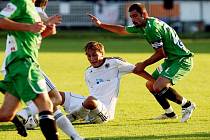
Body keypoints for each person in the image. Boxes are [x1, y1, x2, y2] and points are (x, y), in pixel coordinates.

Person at [88, 3, 196, 122]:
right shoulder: (144, 25)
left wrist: (143, 64)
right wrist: (101, 24)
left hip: (182, 59)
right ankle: (169, 113)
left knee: (159, 86)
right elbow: (122, 30)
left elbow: (161, 53)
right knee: (150, 84)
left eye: (135, 16)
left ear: (144, 14)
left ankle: (187, 105)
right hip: (171, 60)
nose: (133, 20)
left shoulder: (151, 29)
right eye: (131, 17)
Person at [13, 0, 83, 139]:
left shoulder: (24, 12)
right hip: (27, 63)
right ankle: (24, 114)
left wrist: (46, 28)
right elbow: (46, 25)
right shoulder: (35, 10)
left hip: (17, 62)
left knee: (53, 109)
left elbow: (37, 35)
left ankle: (77, 138)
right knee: (55, 98)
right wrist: (49, 22)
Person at [0, 0, 59, 139]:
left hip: (21, 63)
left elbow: (31, 37)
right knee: (46, 104)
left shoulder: (32, 8)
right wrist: (29, 27)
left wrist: (46, 31)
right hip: (23, 62)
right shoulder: (21, 2)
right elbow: (1, 21)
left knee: (6, 114)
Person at [58, 41, 154, 124]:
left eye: (94, 55)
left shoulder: (114, 63)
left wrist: (154, 81)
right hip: (89, 106)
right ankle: (52, 117)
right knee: (57, 95)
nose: (91, 58)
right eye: (88, 55)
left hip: (104, 112)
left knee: (90, 100)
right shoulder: (88, 72)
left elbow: (137, 70)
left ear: (102, 54)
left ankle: (70, 118)